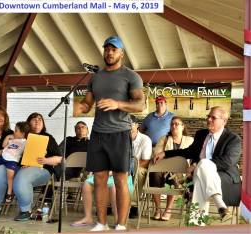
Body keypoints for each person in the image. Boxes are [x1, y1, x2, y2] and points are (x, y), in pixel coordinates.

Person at [74, 35, 145, 231]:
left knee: (121, 179)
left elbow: (140, 104)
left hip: (120, 133)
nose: (109, 52)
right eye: (107, 49)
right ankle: (101, 223)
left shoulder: (131, 76)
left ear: (121, 53)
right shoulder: (95, 77)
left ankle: (121, 224)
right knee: (98, 179)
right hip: (97, 133)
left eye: (114, 49)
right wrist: (79, 108)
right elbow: (88, 103)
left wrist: (117, 103)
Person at [154, 106, 241, 224]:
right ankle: (220, 204)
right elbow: (188, 152)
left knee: (204, 165)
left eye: (213, 118)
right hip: (199, 175)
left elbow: (227, 162)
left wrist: (198, 165)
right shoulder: (201, 134)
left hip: (223, 176)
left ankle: (196, 225)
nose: (209, 119)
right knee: (201, 170)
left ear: (224, 121)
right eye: (208, 116)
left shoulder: (233, 139)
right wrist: (165, 153)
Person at [0, 112, 62, 221]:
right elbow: (9, 149)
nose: (37, 120)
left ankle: (26, 210)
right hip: (17, 167)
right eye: (34, 119)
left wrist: (46, 160)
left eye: (40, 119)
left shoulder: (47, 137)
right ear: (28, 123)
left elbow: (60, 159)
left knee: (22, 176)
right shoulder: (21, 137)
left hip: (41, 169)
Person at [151, 116, 193, 221]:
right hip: (163, 169)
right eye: (172, 124)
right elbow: (157, 154)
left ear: (183, 127)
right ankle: (158, 209)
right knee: (154, 173)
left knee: (173, 174)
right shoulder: (164, 139)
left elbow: (193, 157)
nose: (174, 126)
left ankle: (168, 209)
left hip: (181, 172)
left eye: (177, 124)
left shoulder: (190, 140)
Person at [0, 121, 30, 203]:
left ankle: (9, 192)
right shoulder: (12, 138)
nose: (14, 131)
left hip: (12, 161)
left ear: (22, 134)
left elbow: (28, 153)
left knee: (10, 175)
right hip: (3, 157)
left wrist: (26, 163)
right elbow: (4, 145)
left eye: (16, 130)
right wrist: (8, 137)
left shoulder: (25, 142)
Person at [128, 115, 152, 219]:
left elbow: (146, 162)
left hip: (139, 167)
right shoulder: (120, 138)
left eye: (130, 123)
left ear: (137, 125)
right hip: (122, 167)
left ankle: (133, 205)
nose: (127, 125)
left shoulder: (145, 139)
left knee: (138, 172)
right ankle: (108, 203)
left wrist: (130, 169)